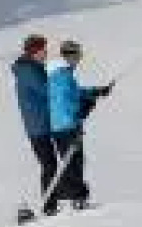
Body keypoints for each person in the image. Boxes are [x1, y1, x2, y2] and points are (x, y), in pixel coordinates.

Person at [46, 39, 113, 210]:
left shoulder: (61, 74)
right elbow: (65, 102)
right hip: (67, 126)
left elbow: (75, 93)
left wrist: (95, 91)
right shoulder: (62, 76)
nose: (79, 59)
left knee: (73, 161)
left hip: (62, 125)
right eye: (77, 55)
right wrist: (82, 110)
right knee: (73, 162)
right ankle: (76, 199)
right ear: (69, 56)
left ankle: (75, 197)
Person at [10, 34, 58, 214]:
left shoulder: (33, 69)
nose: (46, 52)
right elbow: (48, 92)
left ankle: (53, 202)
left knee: (52, 164)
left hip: (41, 124)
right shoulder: (28, 71)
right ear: (34, 51)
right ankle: (49, 205)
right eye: (42, 49)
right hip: (39, 126)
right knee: (49, 165)